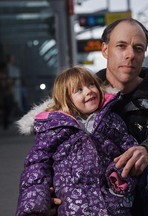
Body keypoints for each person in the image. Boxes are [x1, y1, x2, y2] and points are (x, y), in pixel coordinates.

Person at [52, 18, 148, 216]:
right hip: (91, 203)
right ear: (105, 50)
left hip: (147, 200)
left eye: (138, 48)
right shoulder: (77, 99)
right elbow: (49, 152)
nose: (130, 55)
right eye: (121, 46)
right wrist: (49, 191)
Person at [16, 66, 139, 216]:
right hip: (74, 206)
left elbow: (130, 151)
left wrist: (119, 176)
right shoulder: (54, 128)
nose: (88, 91)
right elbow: (36, 166)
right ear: (67, 99)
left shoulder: (112, 120)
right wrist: (34, 205)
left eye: (91, 84)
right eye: (79, 90)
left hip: (113, 204)